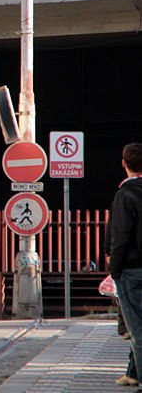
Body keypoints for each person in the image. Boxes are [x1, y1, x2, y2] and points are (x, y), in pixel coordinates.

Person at [106, 142, 142, 387]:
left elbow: (121, 235)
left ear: (123, 164)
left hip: (131, 270)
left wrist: (114, 270)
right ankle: (133, 373)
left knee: (137, 329)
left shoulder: (125, 194)